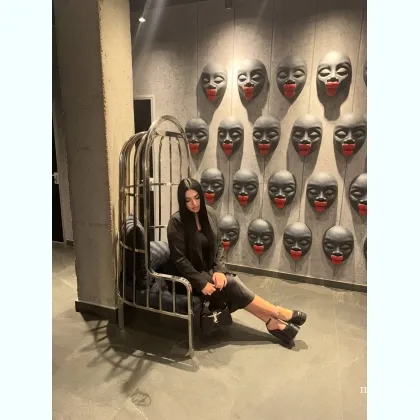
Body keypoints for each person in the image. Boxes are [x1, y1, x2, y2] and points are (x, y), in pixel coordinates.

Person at [167, 178, 307, 344]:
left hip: (208, 270)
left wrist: (219, 270)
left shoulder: (209, 214)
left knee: (229, 283)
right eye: (188, 200)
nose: (194, 203)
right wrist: (201, 283)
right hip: (187, 277)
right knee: (232, 284)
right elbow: (180, 260)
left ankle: (272, 322)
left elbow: (219, 245)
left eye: (197, 197)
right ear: (182, 202)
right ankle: (276, 313)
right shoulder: (177, 222)